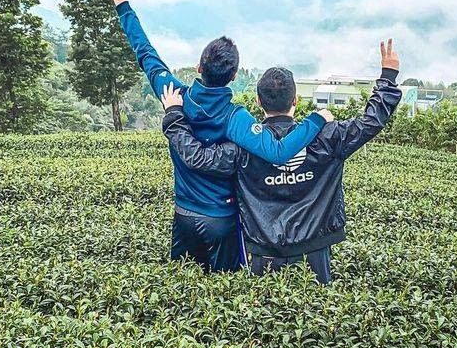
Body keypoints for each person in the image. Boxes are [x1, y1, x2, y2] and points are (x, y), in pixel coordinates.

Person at [92, 0, 328, 272]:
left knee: (181, 293)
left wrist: (121, 3)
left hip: (184, 215)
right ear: (233, 77)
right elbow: (280, 151)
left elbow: (146, 54)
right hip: (221, 220)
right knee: (221, 298)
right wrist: (316, 119)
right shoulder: (236, 118)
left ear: (199, 67)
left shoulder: (173, 96)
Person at [159, 40, 401, 283]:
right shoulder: (327, 138)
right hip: (315, 251)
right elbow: (370, 122)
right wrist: (387, 78)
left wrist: (174, 116)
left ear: (258, 102)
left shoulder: (243, 147)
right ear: (295, 100)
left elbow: (199, 157)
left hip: (264, 255)